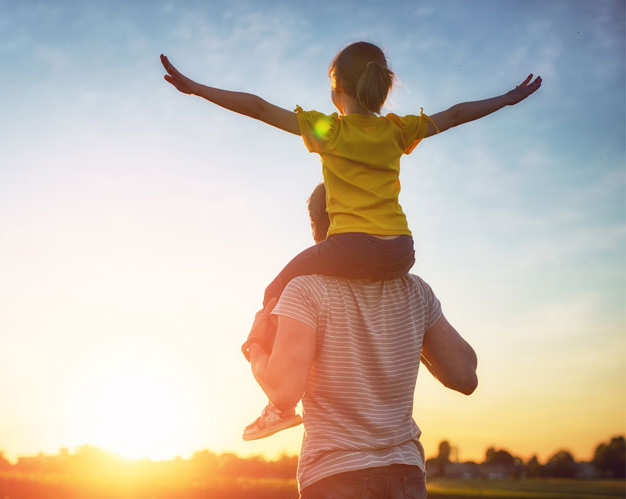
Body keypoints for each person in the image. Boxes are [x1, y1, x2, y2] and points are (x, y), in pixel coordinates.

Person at [160, 41, 540, 437]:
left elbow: (257, 107)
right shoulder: (398, 129)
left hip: (351, 247)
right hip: (400, 251)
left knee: (276, 288)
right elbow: (458, 113)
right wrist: (509, 99)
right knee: (337, 277)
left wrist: (200, 89)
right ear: (380, 86)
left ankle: (278, 406)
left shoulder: (330, 129)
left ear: (337, 88)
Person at [245, 182, 478, 498]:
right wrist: (411, 332)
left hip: (334, 475)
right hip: (406, 476)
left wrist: (254, 346)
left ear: (316, 227)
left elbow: (284, 393)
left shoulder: (304, 290)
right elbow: (465, 375)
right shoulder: (415, 291)